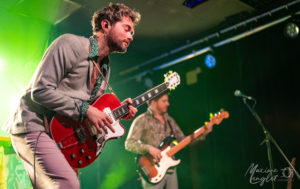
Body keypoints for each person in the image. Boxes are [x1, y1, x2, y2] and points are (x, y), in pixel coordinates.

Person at [2, 3, 140, 189]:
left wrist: (117, 112)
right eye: (127, 28)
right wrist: (87, 110)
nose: (131, 36)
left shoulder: (105, 68)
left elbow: (88, 108)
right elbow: (40, 90)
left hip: (57, 133)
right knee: (68, 184)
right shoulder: (70, 44)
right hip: (33, 125)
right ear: (106, 25)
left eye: (132, 31)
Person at [125, 92, 213, 189]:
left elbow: (183, 141)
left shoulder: (170, 120)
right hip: (152, 172)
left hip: (171, 170)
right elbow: (129, 143)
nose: (168, 103)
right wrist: (149, 149)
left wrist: (203, 132)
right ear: (153, 102)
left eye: (167, 101)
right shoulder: (142, 120)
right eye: (164, 101)